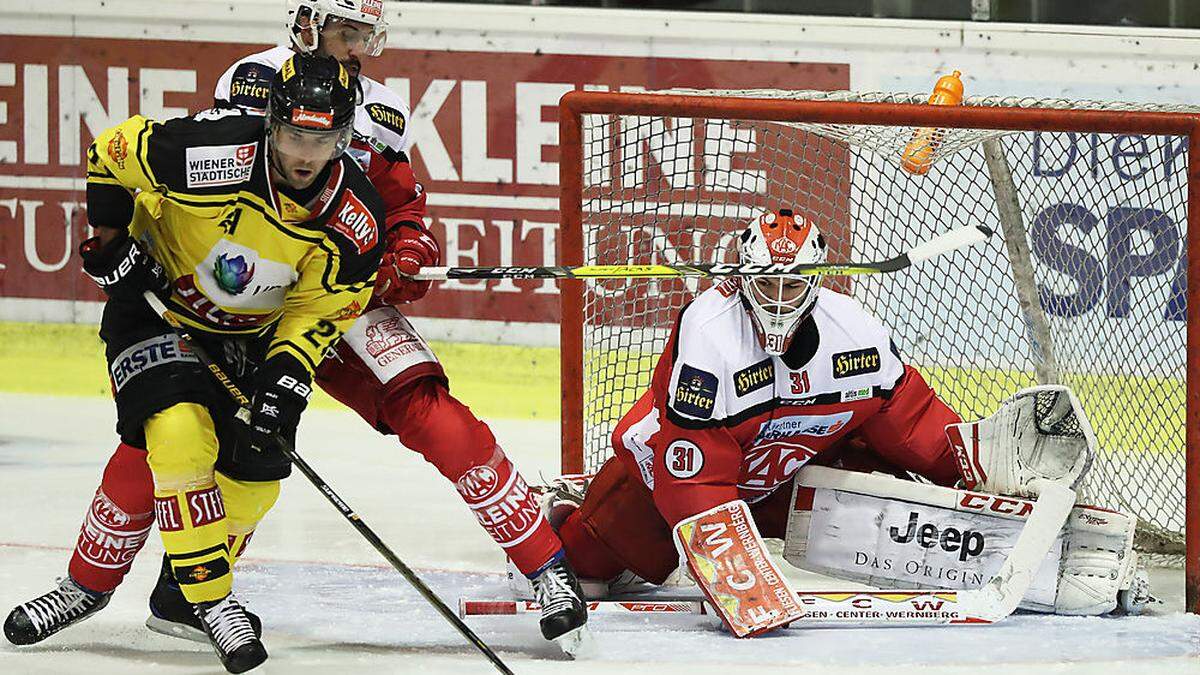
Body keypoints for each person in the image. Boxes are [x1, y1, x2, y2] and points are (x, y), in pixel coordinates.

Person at [5, 0, 588, 655]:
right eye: (344, 27)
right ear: (306, 22)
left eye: (365, 31)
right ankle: (160, 590)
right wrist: (126, 240)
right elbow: (185, 172)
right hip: (242, 292)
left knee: (426, 407)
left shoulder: (382, 111)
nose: (354, 43)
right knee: (172, 429)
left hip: (332, 290)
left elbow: (401, 212)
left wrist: (404, 254)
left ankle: (546, 564)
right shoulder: (251, 80)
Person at [544, 208, 1146, 636]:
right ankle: (574, 519)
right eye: (767, 283)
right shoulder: (709, 333)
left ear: (818, 280)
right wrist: (738, 574)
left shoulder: (853, 329)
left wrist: (971, 464)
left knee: (894, 503)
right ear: (742, 279)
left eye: (794, 282)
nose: (780, 296)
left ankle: (1045, 562)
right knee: (590, 573)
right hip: (664, 485)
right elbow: (690, 473)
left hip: (784, 476)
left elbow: (905, 420)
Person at [5, 53, 382, 672]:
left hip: (249, 339)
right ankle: (193, 596)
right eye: (293, 134)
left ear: (343, 138)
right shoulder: (210, 153)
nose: (304, 154)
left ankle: (179, 596)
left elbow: (318, 309)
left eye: (322, 139)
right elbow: (111, 150)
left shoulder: (354, 219)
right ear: (270, 123)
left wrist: (286, 377)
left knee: (259, 472)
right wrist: (112, 243)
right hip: (156, 311)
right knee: (177, 430)